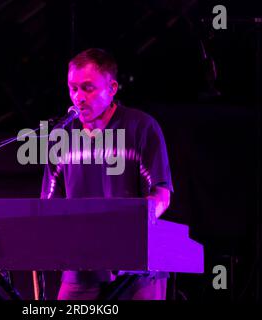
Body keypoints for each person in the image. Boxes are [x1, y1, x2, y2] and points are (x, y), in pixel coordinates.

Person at [40, 48, 173, 300]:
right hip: (80, 266)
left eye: (87, 88)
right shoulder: (62, 137)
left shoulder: (141, 127)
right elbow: (49, 205)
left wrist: (124, 230)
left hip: (138, 266)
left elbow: (161, 196)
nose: (78, 97)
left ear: (112, 88)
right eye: (73, 88)